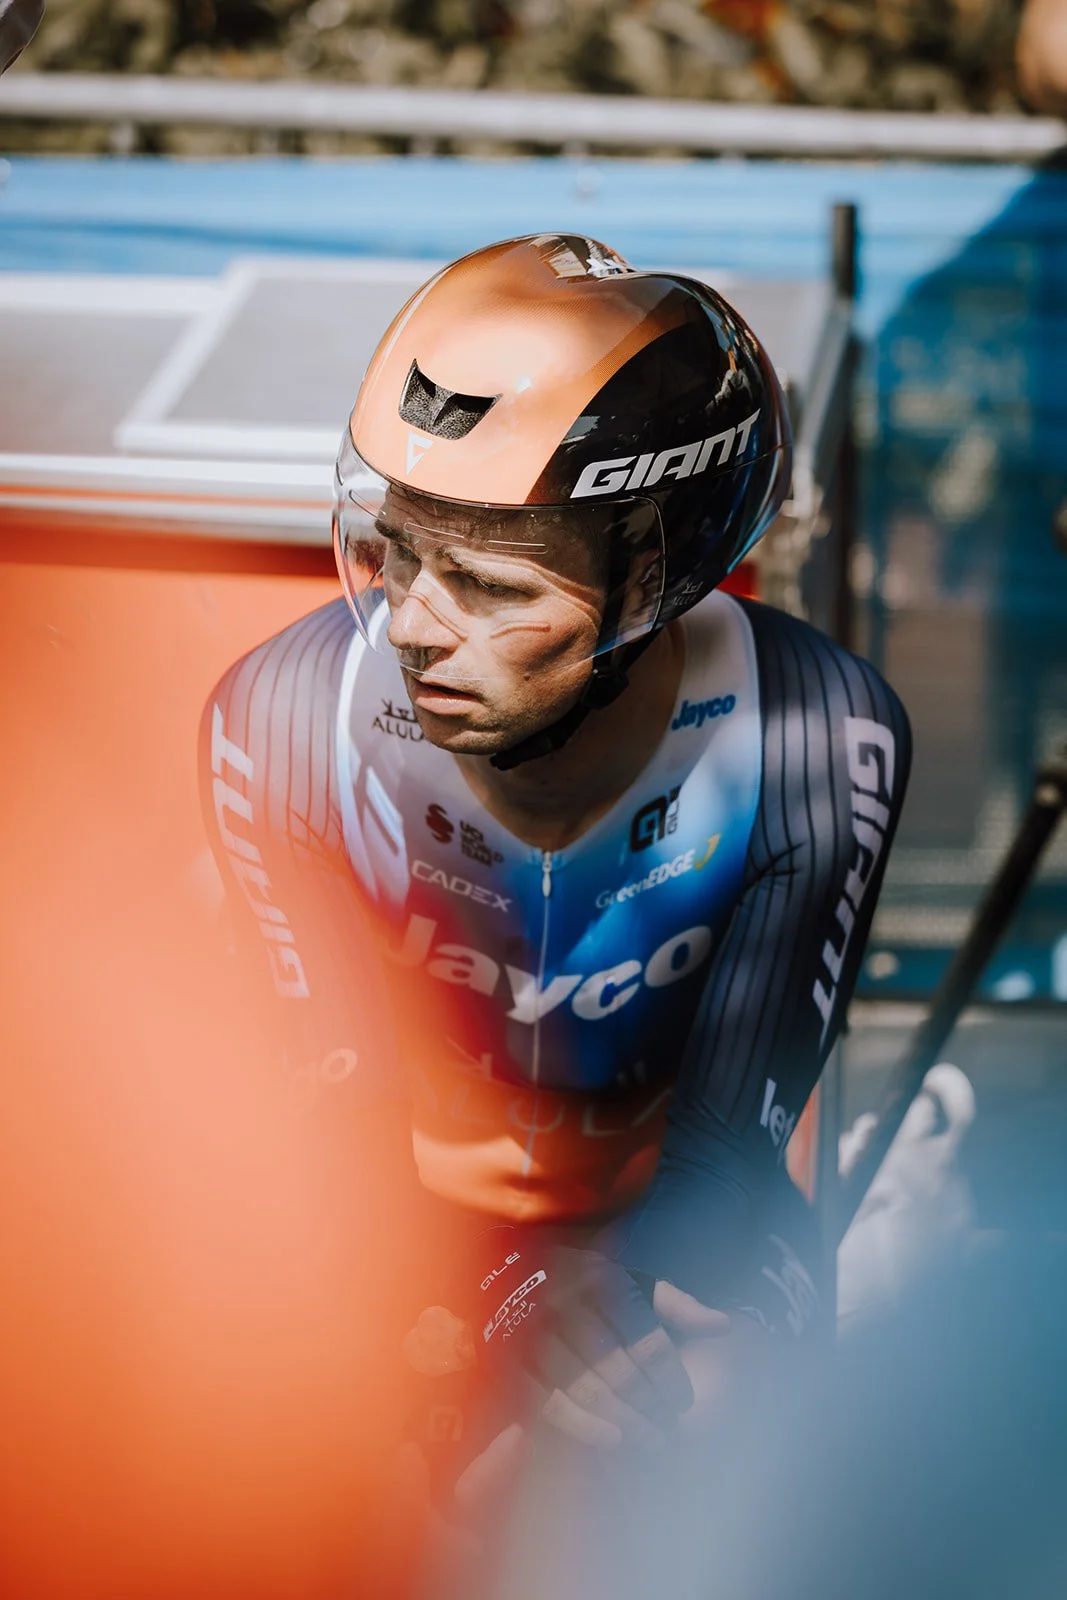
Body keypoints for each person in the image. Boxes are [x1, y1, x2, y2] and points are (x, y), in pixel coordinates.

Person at [200, 233, 910, 1485]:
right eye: (396, 549)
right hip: (390, 1216)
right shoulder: (279, 720)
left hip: (681, 1220)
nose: (412, 624)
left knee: (706, 1391)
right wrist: (502, 1314)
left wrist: (574, 1320)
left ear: (648, 580)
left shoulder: (815, 732)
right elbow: (330, 1144)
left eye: (484, 584)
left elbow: (724, 1160)